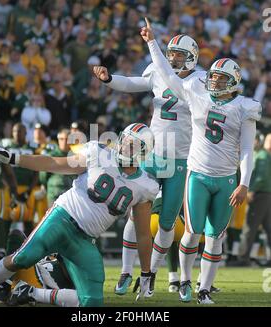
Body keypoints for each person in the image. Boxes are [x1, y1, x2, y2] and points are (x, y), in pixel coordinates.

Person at [0, 123, 159, 307]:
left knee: (93, 302)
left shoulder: (145, 185)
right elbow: (54, 163)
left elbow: (142, 234)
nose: (125, 146)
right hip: (62, 217)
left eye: (132, 144)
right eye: (125, 140)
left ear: (143, 152)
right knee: (23, 257)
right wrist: (15, 158)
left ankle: (32, 293)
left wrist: (145, 272)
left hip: (85, 240)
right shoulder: (98, 152)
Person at [141, 18, 261, 304]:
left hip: (226, 178)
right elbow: (169, 77)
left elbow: (247, 149)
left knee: (215, 236)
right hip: (198, 173)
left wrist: (244, 183)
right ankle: (183, 280)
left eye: (220, 79)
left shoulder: (244, 108)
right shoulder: (197, 93)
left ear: (233, 83)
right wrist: (152, 43)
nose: (213, 81)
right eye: (214, 77)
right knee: (192, 232)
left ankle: (204, 289)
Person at [94, 33, 203, 296]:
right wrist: (109, 80)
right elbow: (133, 83)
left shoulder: (199, 80)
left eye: (179, 54)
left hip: (181, 158)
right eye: (172, 52)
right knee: (136, 211)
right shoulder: (157, 69)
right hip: (153, 155)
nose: (173, 57)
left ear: (192, 57)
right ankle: (125, 271)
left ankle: (151, 273)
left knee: (167, 222)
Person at [238, 132, 271, 266]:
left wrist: (251, 190)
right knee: (269, 228)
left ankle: (243, 259)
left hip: (259, 195)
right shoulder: (265, 156)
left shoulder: (262, 156)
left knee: (249, 227)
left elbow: (260, 178)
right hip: (267, 195)